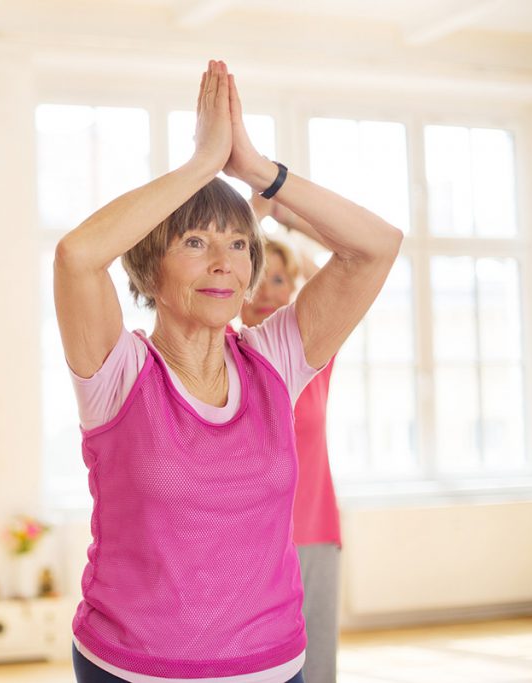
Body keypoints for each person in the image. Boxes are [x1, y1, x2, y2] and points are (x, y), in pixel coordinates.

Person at [53, 59, 402, 683]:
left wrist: (258, 172)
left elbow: (377, 246)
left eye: (238, 244)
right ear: (148, 268)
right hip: (132, 669)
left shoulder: (275, 361)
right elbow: (77, 255)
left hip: (273, 665)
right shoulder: (119, 372)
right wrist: (200, 164)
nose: (223, 262)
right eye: (195, 243)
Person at [242, 198, 341, 683]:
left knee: (316, 668)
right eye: (256, 277)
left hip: (312, 532)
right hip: (242, 542)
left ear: (295, 288)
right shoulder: (223, 357)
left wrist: (278, 214)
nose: (265, 291)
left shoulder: (315, 353)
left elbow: (351, 259)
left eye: (279, 279)